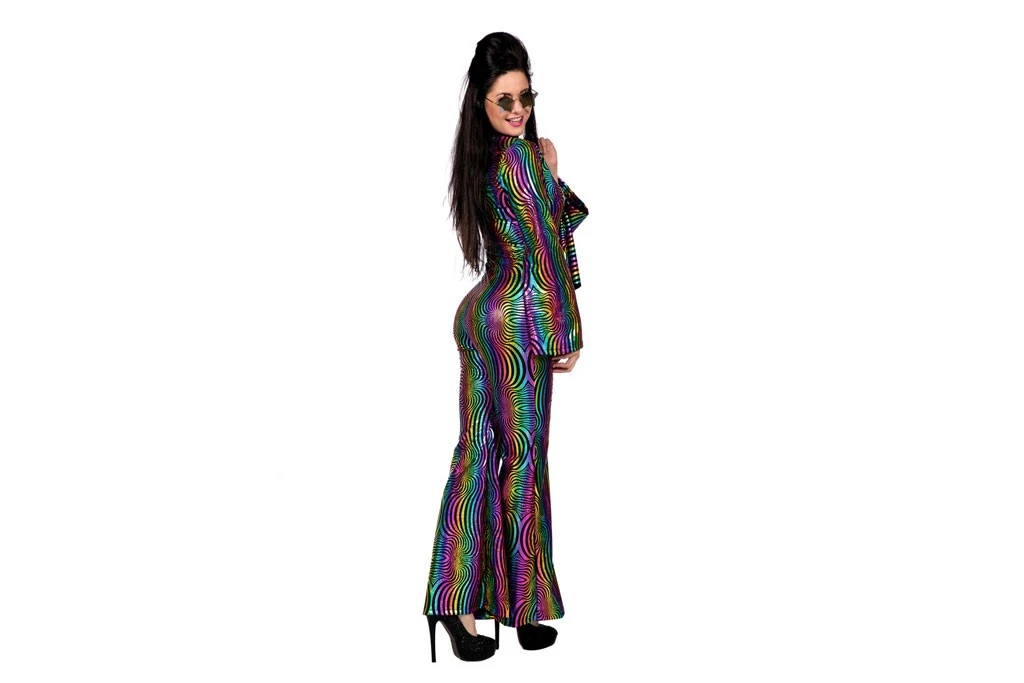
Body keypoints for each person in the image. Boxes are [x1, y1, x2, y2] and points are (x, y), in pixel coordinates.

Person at [422, 32, 590, 663]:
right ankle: (517, 605)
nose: (518, 110)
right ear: (482, 102)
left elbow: (551, 239)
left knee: (479, 452)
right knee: (521, 458)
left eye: (525, 97)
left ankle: (461, 603)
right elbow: (548, 254)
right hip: (517, 321)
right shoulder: (523, 158)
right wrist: (567, 328)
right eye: (504, 101)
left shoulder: (486, 158)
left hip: (483, 317)